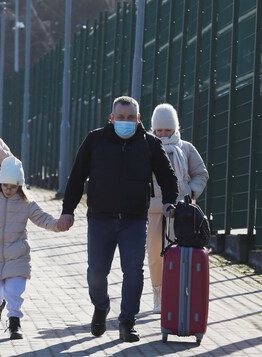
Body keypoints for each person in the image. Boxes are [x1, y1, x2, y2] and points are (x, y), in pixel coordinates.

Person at [56, 96, 178, 343]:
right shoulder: (95, 140)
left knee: (133, 270)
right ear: (111, 118)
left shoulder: (150, 144)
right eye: (120, 118)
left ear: (138, 119)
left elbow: (168, 176)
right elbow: (77, 176)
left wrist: (170, 202)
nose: (125, 122)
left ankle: (127, 322)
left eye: (130, 118)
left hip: (134, 219)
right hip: (101, 218)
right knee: (96, 273)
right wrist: (67, 210)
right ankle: (101, 306)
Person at [0, 156, 66, 339]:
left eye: (13, 187)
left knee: (14, 290)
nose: (9, 190)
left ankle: (15, 323)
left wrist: (58, 225)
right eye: (6, 185)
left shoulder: (26, 202)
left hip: (18, 255)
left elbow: (42, 218)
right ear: (0, 183)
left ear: (20, 186)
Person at [145, 103, 209, 313]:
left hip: (181, 211)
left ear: (175, 128)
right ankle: (159, 294)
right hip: (154, 210)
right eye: (159, 130)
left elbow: (201, 174)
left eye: (168, 130)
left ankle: (180, 293)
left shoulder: (186, 149)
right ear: (153, 129)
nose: (163, 134)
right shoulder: (146, 146)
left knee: (181, 253)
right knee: (155, 254)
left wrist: (190, 193)